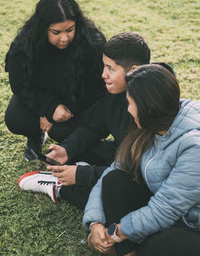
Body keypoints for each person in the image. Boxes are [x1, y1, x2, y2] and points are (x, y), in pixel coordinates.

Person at [18, 32, 151, 209]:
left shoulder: (154, 104)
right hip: (121, 153)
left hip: (141, 175)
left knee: (114, 200)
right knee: (73, 147)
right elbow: (93, 126)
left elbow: (139, 172)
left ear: (133, 70)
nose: (104, 74)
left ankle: (60, 188)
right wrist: (66, 150)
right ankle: (75, 170)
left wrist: (82, 175)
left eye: (110, 68)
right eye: (104, 67)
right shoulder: (117, 91)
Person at [83, 64, 200, 256]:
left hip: (192, 225)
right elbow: (113, 169)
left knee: (161, 245)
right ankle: (127, 252)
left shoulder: (194, 147)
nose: (128, 110)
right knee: (115, 181)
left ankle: (128, 248)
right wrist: (95, 222)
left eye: (130, 103)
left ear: (148, 107)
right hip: (170, 212)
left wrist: (115, 233)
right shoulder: (152, 125)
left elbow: (164, 209)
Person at [4, 0, 106, 161]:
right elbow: (20, 84)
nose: (64, 38)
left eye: (70, 30)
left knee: (61, 131)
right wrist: (48, 108)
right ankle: (35, 135)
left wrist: (62, 111)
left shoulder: (91, 42)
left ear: (77, 24)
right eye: (56, 32)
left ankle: (85, 147)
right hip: (44, 97)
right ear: (42, 28)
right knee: (16, 118)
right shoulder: (24, 45)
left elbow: (96, 87)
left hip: (78, 102)